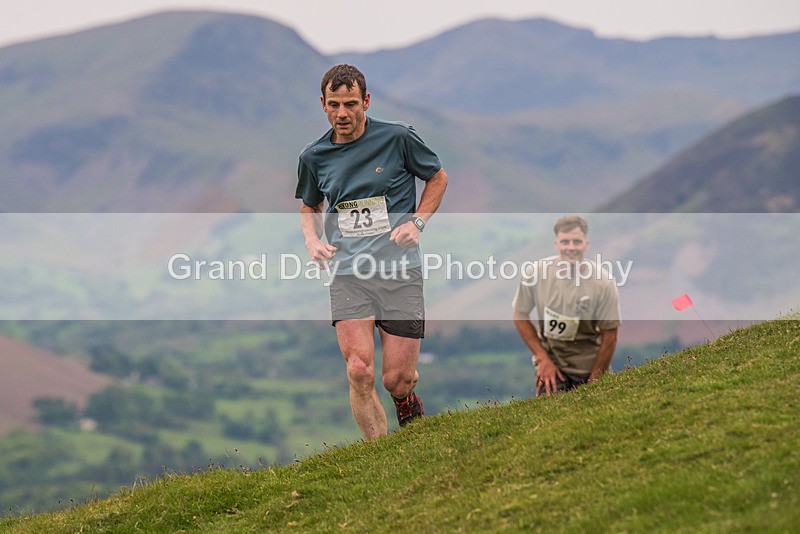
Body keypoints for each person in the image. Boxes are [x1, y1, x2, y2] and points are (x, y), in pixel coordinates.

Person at [295, 64, 448, 440]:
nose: (342, 114)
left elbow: (437, 177)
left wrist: (417, 222)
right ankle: (379, 457)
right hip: (348, 272)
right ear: (323, 104)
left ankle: (406, 403)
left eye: (350, 104)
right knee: (359, 369)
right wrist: (312, 241)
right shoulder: (314, 157)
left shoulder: (397, 138)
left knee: (397, 380)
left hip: (400, 273)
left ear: (366, 101)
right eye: (334, 105)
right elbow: (309, 207)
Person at [512, 215, 620, 396]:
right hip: (552, 366)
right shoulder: (535, 273)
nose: (571, 247)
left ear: (586, 244)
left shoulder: (603, 282)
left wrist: (595, 380)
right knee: (550, 420)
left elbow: (610, 336)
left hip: (591, 366)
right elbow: (520, 315)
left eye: (577, 242)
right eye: (565, 242)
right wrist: (542, 359)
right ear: (557, 244)